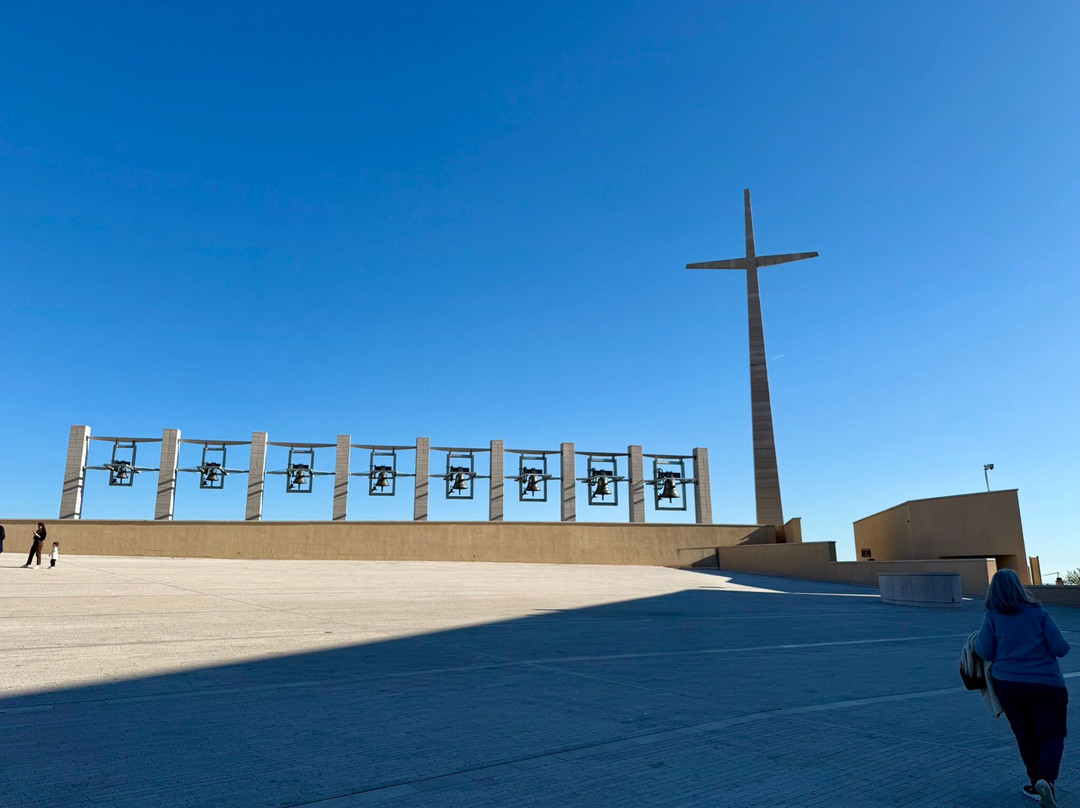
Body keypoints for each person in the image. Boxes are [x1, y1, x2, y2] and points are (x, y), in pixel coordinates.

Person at [977, 569, 1070, 807]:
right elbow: (1060, 648)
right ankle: (1047, 781)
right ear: (1019, 586)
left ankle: (1035, 781)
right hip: (1047, 684)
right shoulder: (1038, 613)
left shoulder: (992, 616)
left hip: (1008, 686)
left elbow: (985, 652)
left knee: (1025, 735)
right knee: (1051, 734)